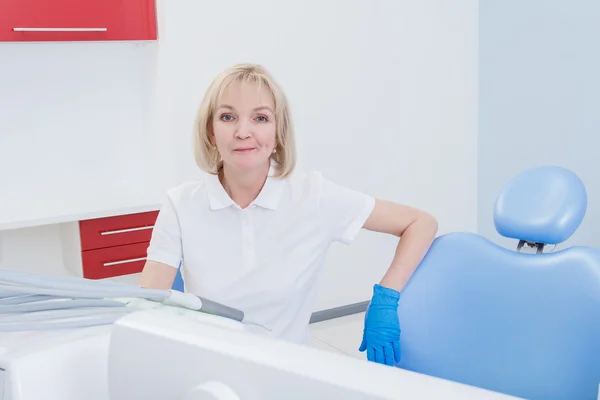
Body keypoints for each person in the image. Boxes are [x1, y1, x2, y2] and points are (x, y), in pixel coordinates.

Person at [138, 63, 438, 367]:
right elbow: (147, 308)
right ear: (210, 132)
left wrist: (385, 298)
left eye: (260, 118)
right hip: (209, 369)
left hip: (289, 371)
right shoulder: (180, 205)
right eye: (228, 117)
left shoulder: (312, 195)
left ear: (278, 131)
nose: (244, 132)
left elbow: (420, 222)